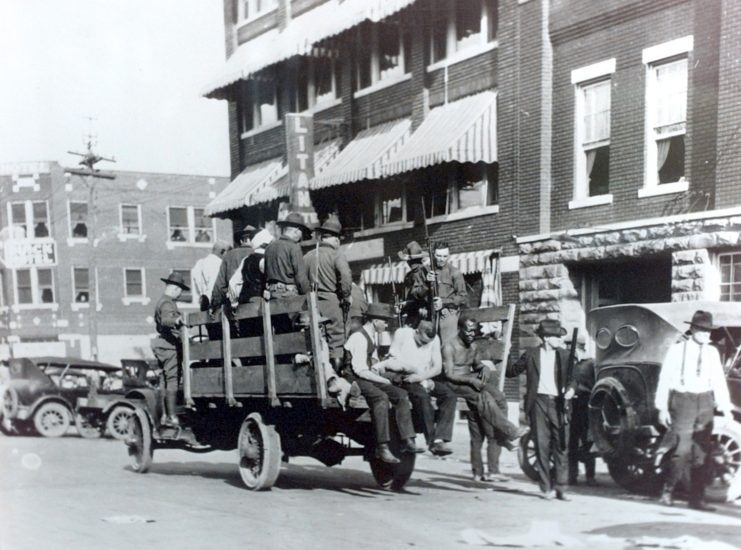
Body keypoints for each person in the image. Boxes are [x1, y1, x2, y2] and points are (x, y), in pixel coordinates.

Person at [655, 310, 733, 511]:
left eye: (709, 331)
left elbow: (718, 381)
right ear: (692, 329)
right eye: (702, 330)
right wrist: (662, 408)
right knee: (681, 451)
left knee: (701, 453)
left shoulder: (712, 352)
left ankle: (696, 499)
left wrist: (725, 406)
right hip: (683, 401)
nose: (706, 334)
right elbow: (664, 380)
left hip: (705, 402)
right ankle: (668, 490)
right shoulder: (677, 350)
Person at [442, 317, 529, 481]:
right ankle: (509, 431)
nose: (471, 334)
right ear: (460, 329)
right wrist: (470, 380)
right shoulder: (449, 346)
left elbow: (476, 364)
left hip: (470, 380)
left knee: (500, 396)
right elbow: (449, 374)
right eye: (468, 330)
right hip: (454, 385)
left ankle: (501, 439)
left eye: (474, 330)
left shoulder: (473, 346)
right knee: (484, 398)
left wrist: (483, 368)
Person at [344, 303, 423, 463]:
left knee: (401, 395)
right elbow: (360, 370)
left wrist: (384, 370)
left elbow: (372, 364)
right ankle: (382, 447)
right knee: (380, 398)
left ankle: (408, 440)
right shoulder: (358, 337)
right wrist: (384, 379)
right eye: (384, 321)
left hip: (367, 374)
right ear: (374, 321)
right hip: (354, 378)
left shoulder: (371, 335)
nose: (386, 325)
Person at [507, 319, 576, 501]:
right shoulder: (531, 354)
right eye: (556, 336)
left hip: (559, 404)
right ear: (546, 338)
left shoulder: (565, 355)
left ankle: (562, 488)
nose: (560, 339)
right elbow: (512, 371)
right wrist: (505, 352)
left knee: (562, 445)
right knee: (541, 446)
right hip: (538, 402)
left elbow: (573, 378)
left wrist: (571, 389)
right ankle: (546, 488)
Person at [375, 320, 458, 456]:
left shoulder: (434, 339)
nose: (424, 345)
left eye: (427, 343)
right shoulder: (402, 334)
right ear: (417, 331)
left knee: (450, 395)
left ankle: (440, 438)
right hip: (405, 376)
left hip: (422, 377)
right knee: (422, 397)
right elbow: (396, 361)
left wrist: (422, 378)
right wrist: (419, 378)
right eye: (421, 342)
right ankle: (431, 441)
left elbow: (437, 368)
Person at [304, 217, 352, 367]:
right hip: (331, 301)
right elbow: (345, 276)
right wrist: (345, 296)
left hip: (311, 303)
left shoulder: (308, 256)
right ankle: (335, 381)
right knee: (336, 342)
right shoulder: (337, 254)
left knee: (317, 341)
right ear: (336, 239)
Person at [151, 271, 190, 426]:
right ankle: (172, 417)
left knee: (164, 380)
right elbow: (167, 319)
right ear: (175, 288)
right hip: (169, 347)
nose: (180, 294)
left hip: (162, 345)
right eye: (180, 290)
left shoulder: (162, 301)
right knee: (172, 380)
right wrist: (178, 320)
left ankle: (163, 415)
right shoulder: (167, 303)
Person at [567, 336, 597, 486]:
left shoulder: (590, 363)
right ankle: (572, 475)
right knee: (572, 442)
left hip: (586, 405)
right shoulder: (567, 363)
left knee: (588, 441)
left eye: (571, 347)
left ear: (580, 348)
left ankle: (590, 476)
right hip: (571, 405)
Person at [264, 212, 311, 299]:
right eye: (301, 232)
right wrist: (309, 295)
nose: (301, 236)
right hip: (289, 295)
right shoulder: (294, 247)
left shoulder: (269, 247)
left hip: (272, 294)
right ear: (297, 230)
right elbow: (301, 279)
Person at [427, 241, 467, 344]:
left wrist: (444, 302)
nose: (441, 259)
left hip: (448, 316)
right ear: (433, 255)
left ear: (449, 256)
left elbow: (463, 297)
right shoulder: (427, 270)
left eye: (445, 256)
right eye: (438, 256)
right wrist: (426, 282)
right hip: (430, 317)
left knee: (447, 348)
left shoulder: (454, 272)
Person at [210, 226, 256, 309]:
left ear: (241, 241)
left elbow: (220, 285)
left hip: (234, 304)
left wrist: (215, 304)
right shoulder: (260, 254)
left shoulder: (229, 255)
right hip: (256, 304)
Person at [234, 228, 273, 305]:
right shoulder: (265, 260)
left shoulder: (246, 259)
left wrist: (234, 303)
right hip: (260, 302)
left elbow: (234, 282)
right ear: (266, 243)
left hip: (245, 300)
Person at [398, 241, 431, 327]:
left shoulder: (425, 272)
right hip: (411, 314)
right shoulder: (409, 276)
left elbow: (420, 294)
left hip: (423, 315)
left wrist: (407, 303)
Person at [192, 241, 229, 311]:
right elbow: (217, 285)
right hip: (216, 304)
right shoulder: (220, 264)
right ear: (222, 251)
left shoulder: (200, 263)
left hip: (203, 302)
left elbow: (196, 283)